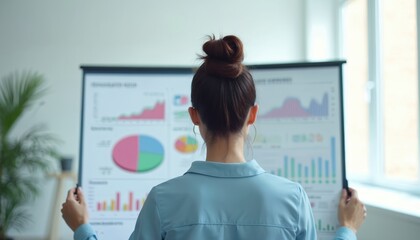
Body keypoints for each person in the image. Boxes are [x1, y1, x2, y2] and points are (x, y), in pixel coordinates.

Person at [62, 35, 367, 240]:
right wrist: (347, 229)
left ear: (195, 116)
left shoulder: (163, 201)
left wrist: (82, 228)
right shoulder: (292, 200)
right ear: (253, 115)